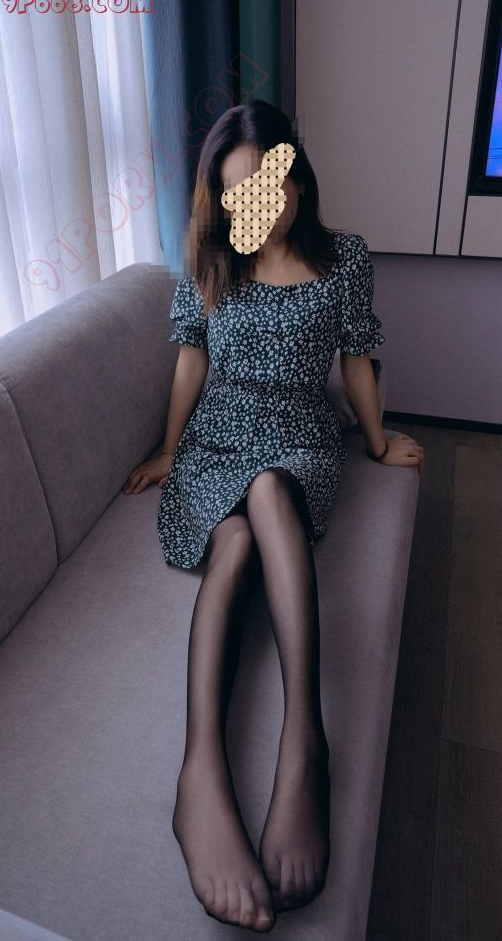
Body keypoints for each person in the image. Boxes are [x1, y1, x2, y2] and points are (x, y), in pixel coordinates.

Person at [123, 99, 425, 933]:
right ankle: (202, 772)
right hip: (216, 438)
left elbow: (357, 360)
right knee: (230, 545)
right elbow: (191, 360)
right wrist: (169, 450)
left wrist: (375, 442)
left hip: (300, 440)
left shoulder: (344, 257)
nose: (259, 203)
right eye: (238, 192)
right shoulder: (210, 259)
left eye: (271, 182)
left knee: (269, 489)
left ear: (296, 176)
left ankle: (303, 744)